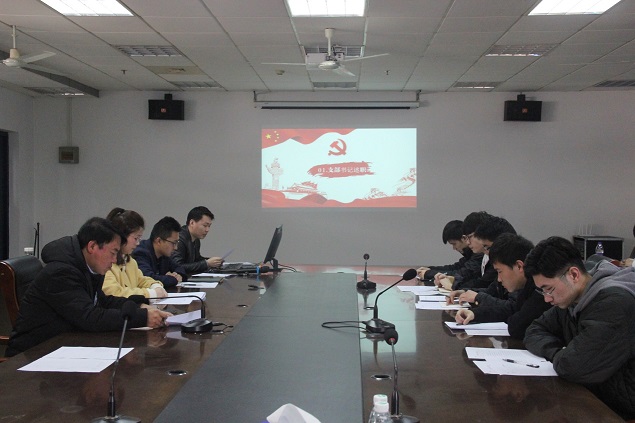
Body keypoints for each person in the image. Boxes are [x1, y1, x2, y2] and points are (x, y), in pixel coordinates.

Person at [6, 217, 172, 357]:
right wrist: (142, 318)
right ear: (92, 246)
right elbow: (89, 317)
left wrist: (140, 306)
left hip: (63, 347)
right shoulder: (60, 272)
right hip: (32, 356)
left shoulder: (88, 267)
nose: (115, 260)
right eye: (113, 253)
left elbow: (104, 301)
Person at [523, 236, 635, 420]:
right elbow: (534, 330)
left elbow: (572, 367)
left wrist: (564, 355)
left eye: (548, 289)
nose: (547, 298)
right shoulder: (571, 301)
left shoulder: (614, 304)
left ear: (574, 275)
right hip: (594, 400)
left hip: (620, 411)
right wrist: (560, 352)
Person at [453, 233, 551, 339]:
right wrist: (475, 314)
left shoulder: (540, 290)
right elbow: (510, 310)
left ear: (519, 266)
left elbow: (516, 326)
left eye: (500, 271)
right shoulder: (526, 286)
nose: (499, 279)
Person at [102, 208, 168, 299]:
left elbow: (141, 280)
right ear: (122, 236)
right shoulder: (107, 263)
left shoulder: (130, 261)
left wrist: (155, 285)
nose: (137, 243)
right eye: (136, 238)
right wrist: (149, 293)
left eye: (139, 239)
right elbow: (114, 292)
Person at [433, 211, 491, 290]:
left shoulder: (482, 254)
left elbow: (482, 284)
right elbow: (457, 268)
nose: (468, 242)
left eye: (469, 237)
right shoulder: (476, 253)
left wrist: (453, 286)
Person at [416, 220, 481, 282]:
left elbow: (461, 274)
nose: (454, 248)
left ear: (464, 238)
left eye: (454, 244)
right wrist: (430, 269)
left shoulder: (479, 254)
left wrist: (428, 273)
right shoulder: (470, 255)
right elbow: (454, 267)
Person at [133, 216, 188, 289]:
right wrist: (173, 279)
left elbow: (179, 267)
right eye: (173, 243)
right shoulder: (141, 253)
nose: (176, 248)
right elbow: (149, 278)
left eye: (177, 242)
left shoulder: (164, 254)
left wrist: (178, 275)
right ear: (159, 241)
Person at [171, 206, 223, 276]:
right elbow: (178, 266)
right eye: (205, 225)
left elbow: (196, 259)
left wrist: (213, 261)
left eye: (209, 226)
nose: (207, 230)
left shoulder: (196, 239)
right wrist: (207, 263)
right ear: (192, 223)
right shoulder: (179, 239)